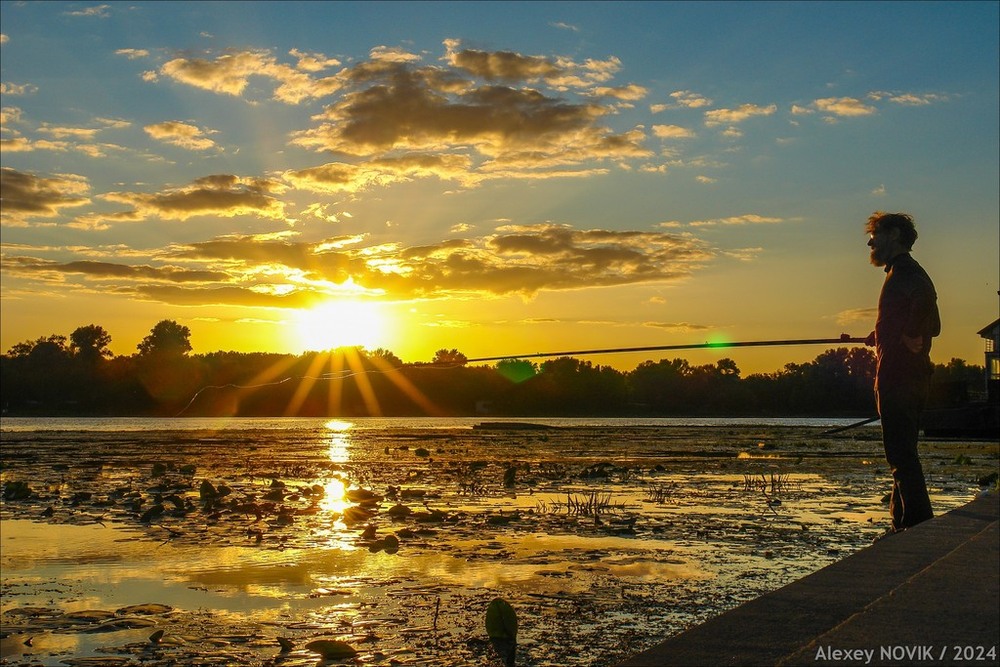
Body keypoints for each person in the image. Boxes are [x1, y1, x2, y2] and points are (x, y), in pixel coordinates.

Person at [864, 211, 941, 535]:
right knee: (903, 454)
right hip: (913, 377)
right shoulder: (905, 272)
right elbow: (935, 326)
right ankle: (901, 525)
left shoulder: (905, 271)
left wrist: (909, 333)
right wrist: (882, 333)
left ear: (894, 234)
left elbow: (923, 301)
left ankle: (919, 524)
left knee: (901, 457)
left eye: (876, 234)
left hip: (898, 376)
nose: (871, 241)